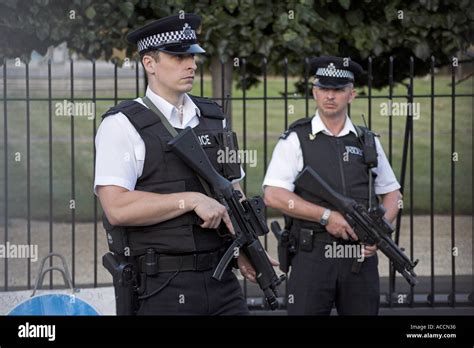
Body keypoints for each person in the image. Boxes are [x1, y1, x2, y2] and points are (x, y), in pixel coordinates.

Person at [94, 13, 258, 315]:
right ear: (149, 63)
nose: (191, 64)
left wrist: (246, 249)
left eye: (193, 56)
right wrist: (191, 200)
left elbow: (234, 192)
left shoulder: (213, 118)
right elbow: (116, 208)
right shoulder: (122, 125)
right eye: (178, 56)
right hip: (163, 286)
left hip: (223, 282)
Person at [263, 56, 402, 315]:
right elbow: (273, 195)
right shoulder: (296, 138)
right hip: (311, 255)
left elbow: (393, 193)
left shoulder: (367, 141)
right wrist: (326, 216)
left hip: (359, 258)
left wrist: (379, 231)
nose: (330, 96)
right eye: (324, 89)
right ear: (314, 92)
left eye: (337, 90)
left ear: (352, 95)